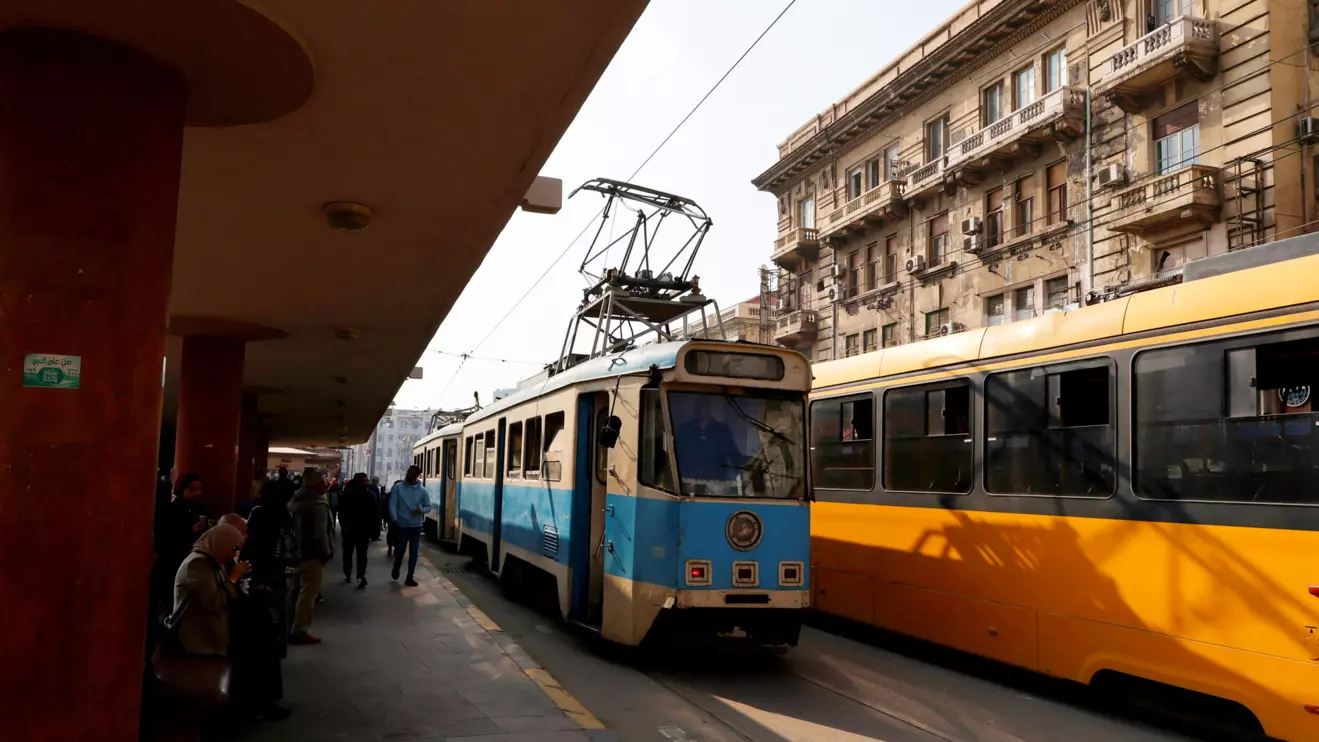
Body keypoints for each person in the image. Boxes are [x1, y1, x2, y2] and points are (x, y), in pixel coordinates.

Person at [287, 469, 333, 644]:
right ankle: (300, 631)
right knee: (308, 594)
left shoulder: (292, 502)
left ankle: (287, 627)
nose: (325, 484)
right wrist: (325, 552)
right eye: (322, 481)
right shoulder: (318, 505)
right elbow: (319, 533)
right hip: (312, 555)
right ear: (315, 485)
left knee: (293, 591)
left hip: (292, 554)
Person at [673, 397, 747, 482]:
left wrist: (745, 472)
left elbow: (734, 454)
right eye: (698, 406)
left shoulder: (722, 430)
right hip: (688, 483)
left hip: (715, 484)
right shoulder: (684, 429)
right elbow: (676, 455)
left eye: (703, 406)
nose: (700, 409)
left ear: (709, 407)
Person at [388, 466, 430, 587]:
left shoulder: (422, 491)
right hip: (402, 525)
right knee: (400, 550)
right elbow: (392, 504)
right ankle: (397, 566)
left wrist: (420, 510)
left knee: (414, 552)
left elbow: (428, 506)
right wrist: (395, 519)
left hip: (416, 526)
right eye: (408, 472)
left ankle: (410, 576)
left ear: (417, 476)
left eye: (412, 473)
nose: (409, 475)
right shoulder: (398, 488)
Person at [339, 473, 380, 587]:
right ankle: (360, 576)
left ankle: (348, 575)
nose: (366, 483)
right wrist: (374, 531)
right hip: (362, 530)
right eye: (364, 481)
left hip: (351, 529)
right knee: (361, 554)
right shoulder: (370, 495)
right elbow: (375, 514)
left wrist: (344, 527)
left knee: (348, 554)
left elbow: (341, 513)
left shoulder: (347, 494)